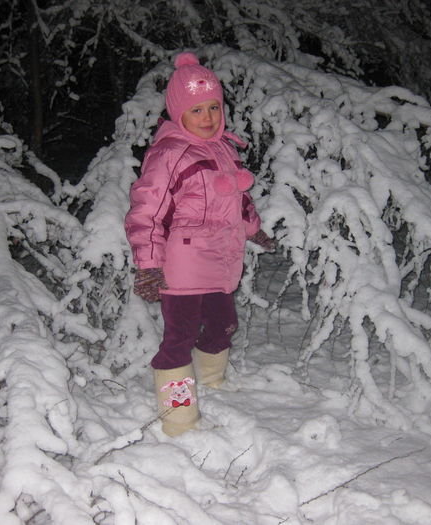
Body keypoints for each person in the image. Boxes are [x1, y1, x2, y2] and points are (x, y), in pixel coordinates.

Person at [124, 52, 274, 437]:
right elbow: (147, 213)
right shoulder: (169, 154)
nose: (207, 118)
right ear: (178, 113)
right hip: (182, 262)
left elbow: (237, 200)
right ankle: (178, 416)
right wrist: (149, 265)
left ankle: (212, 381)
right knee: (180, 337)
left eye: (213, 107)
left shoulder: (223, 147)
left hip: (221, 259)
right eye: (196, 110)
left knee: (224, 324)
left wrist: (252, 228)